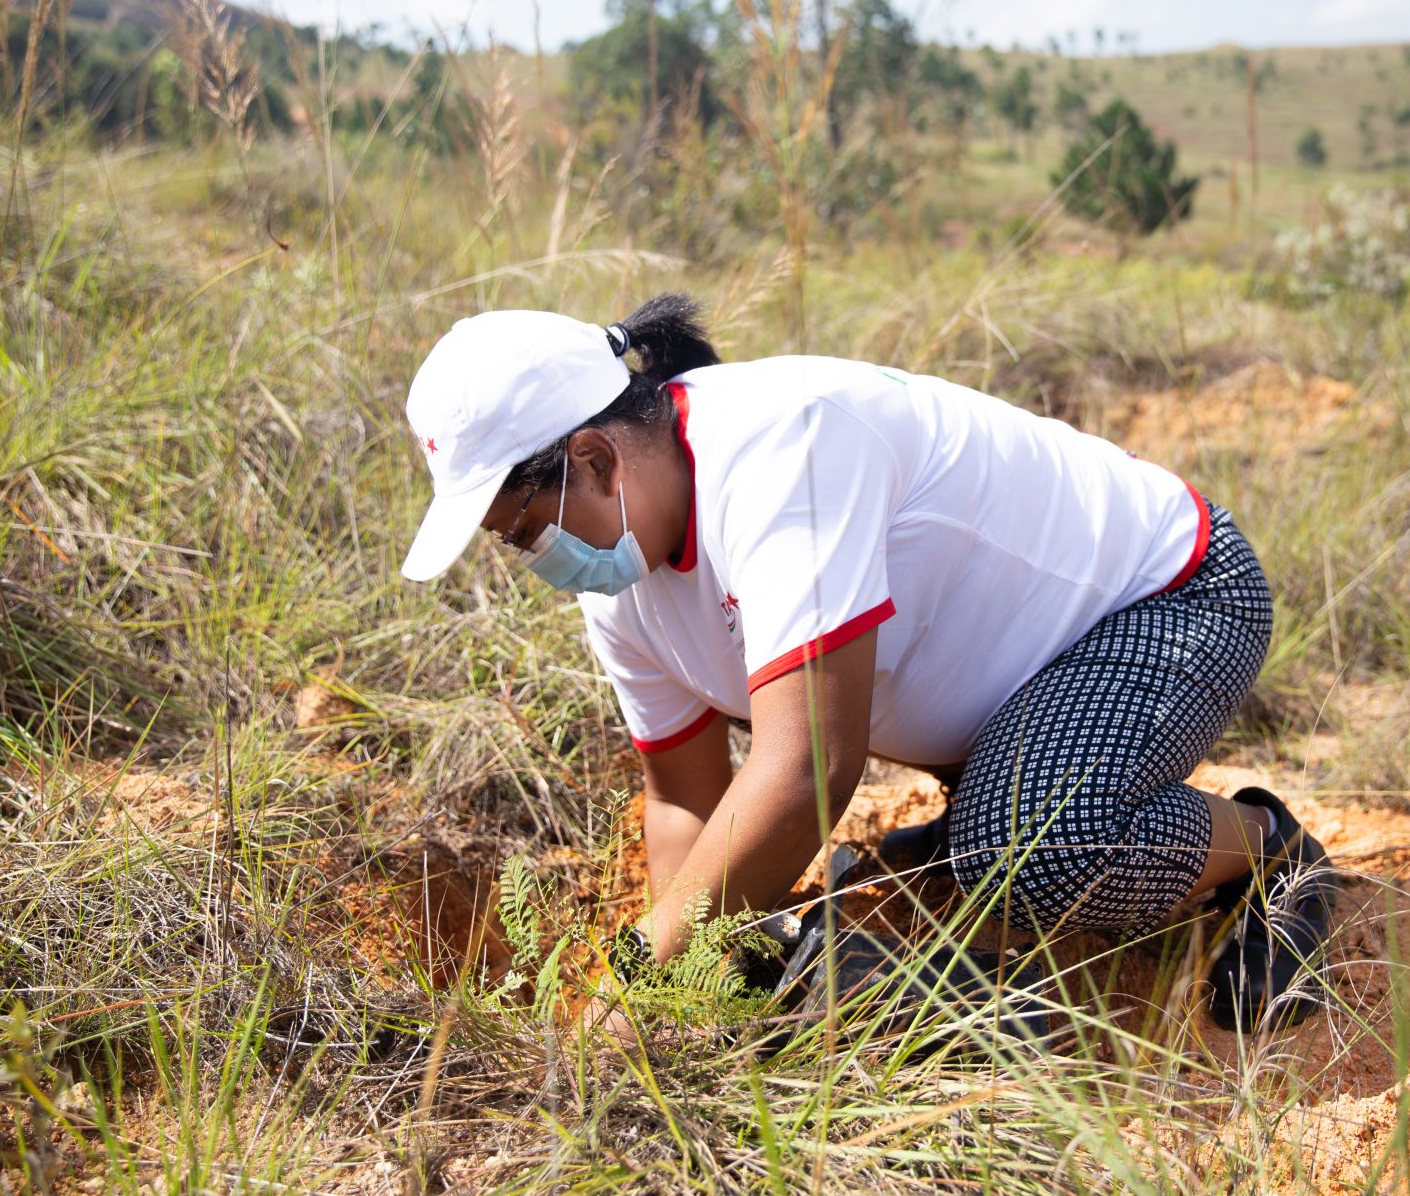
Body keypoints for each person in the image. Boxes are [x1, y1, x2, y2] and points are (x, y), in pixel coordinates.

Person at [399, 293, 1338, 1032]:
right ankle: (991, 804)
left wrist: (636, 977)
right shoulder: (622, 584)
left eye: (525, 528)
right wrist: (687, 974)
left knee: (1032, 857)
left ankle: (1268, 850)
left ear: (597, 459)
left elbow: (809, 769)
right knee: (956, 859)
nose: (535, 559)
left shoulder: (782, 449)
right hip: (1018, 673)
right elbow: (685, 799)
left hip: (1173, 595)